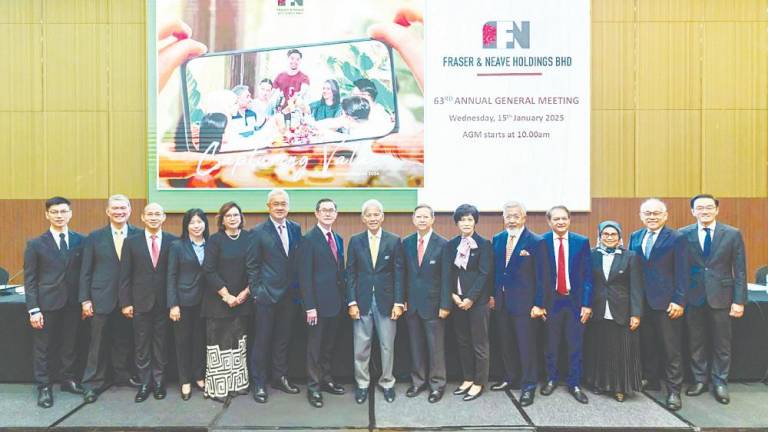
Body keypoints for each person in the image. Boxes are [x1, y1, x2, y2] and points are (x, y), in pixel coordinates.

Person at [681, 194, 746, 404]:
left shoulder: (732, 234)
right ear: (693, 211)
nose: (705, 211)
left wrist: (739, 301)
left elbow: (740, 270)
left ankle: (720, 382)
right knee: (696, 341)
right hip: (694, 296)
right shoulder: (683, 234)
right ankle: (699, 379)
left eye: (709, 207)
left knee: (722, 343)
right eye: (700, 208)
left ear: (717, 210)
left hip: (722, 296)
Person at [24, 197, 85, 408]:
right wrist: (33, 309)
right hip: (46, 304)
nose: (59, 215)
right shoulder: (35, 244)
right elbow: (30, 280)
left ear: (70, 214)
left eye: (63, 211)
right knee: (44, 348)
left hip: (72, 304)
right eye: (55, 212)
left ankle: (68, 380)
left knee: (70, 344)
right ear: (47, 215)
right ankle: (44, 387)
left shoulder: (81, 240)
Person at [628, 198, 688, 411]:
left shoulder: (677, 238)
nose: (652, 217)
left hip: (667, 303)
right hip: (641, 303)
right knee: (648, 344)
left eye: (656, 213)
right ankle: (651, 380)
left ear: (665, 216)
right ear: (641, 216)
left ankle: (673, 391)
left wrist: (679, 300)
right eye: (648, 213)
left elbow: (683, 272)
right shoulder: (635, 236)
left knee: (671, 349)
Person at [79, 194, 140, 403]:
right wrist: (85, 299)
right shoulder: (94, 237)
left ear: (130, 210)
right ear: (107, 211)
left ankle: (121, 375)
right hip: (100, 298)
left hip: (128, 300)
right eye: (115, 208)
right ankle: (92, 383)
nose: (119, 212)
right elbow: (85, 271)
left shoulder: (138, 235)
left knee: (123, 340)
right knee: (97, 343)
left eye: (123, 208)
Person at [346, 199, 404, 404]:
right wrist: (351, 302)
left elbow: (399, 273)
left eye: (376, 214)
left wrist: (399, 302)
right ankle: (362, 384)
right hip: (361, 301)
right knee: (361, 346)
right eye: (368, 215)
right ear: (363, 218)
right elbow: (350, 273)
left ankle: (387, 382)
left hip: (387, 302)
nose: (372, 218)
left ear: (382, 216)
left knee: (387, 345)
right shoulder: (355, 240)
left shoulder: (394, 240)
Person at [118, 203, 177, 402]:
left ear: (164, 217)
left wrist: (173, 303)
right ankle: (144, 383)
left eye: (157, 214)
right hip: (139, 303)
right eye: (149, 214)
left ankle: (159, 382)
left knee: (161, 344)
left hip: (164, 303)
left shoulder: (173, 242)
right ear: (142, 217)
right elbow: (124, 276)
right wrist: (125, 302)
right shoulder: (131, 242)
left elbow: (174, 275)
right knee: (141, 345)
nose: (153, 217)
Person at [248, 189, 302, 403]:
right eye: (276, 203)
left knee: (283, 340)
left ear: (288, 206)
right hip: (266, 297)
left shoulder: (296, 228)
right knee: (262, 340)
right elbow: (252, 266)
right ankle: (259, 383)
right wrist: (257, 292)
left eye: (284, 203)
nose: (280, 207)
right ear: (268, 206)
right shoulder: (258, 231)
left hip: (290, 297)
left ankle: (279, 377)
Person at [490, 201, 545, 407]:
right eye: (508, 216)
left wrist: (539, 304)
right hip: (501, 303)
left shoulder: (536, 241)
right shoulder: (498, 238)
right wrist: (492, 296)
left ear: (524, 217)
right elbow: (495, 271)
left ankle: (529, 385)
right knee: (506, 344)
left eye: (515, 216)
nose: (511, 219)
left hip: (526, 305)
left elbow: (542, 277)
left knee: (526, 346)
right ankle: (510, 378)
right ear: (503, 218)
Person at [538, 205, 593, 404]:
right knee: (551, 344)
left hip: (575, 302)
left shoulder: (581, 242)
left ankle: (574, 383)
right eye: (556, 219)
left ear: (569, 220)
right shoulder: (541, 242)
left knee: (575, 344)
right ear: (549, 221)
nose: (560, 222)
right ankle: (551, 380)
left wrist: (587, 304)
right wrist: (540, 303)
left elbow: (588, 276)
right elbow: (538, 277)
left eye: (564, 218)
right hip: (551, 302)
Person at [584, 221, 643, 402]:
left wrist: (636, 314)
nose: (609, 237)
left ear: (619, 237)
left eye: (613, 234)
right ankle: (600, 383)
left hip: (622, 311)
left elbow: (636, 287)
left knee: (621, 351)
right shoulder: (592, 255)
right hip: (598, 309)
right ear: (600, 236)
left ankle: (620, 388)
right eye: (606, 234)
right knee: (600, 348)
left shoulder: (630, 256)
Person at [202, 202, 255, 404]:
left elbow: (255, 267)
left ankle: (238, 384)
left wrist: (243, 294)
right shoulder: (215, 240)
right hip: (218, 301)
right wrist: (227, 296)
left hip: (243, 300)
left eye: (236, 215)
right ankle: (218, 387)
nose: (233, 218)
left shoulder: (250, 238)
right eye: (228, 216)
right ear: (222, 220)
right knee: (219, 344)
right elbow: (208, 270)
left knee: (238, 343)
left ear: (241, 217)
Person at [298, 198, 346, 408]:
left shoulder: (338, 238)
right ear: (316, 214)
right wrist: (310, 307)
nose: (328, 213)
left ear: (336, 214)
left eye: (331, 210)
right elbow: (304, 277)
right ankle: (314, 387)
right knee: (315, 348)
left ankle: (326, 380)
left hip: (335, 304)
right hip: (316, 306)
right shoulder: (308, 239)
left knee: (328, 347)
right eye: (324, 210)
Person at [443, 204, 492, 402]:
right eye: (462, 219)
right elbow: (447, 273)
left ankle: (479, 382)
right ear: (457, 222)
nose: (466, 223)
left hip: (477, 303)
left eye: (470, 219)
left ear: (475, 222)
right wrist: (454, 296)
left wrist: (470, 298)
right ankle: (467, 378)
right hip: (457, 301)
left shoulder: (484, 244)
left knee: (479, 343)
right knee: (462, 342)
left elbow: (484, 274)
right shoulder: (451, 244)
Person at [402, 204, 449, 403]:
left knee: (435, 347)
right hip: (411, 305)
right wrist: (401, 300)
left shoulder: (443, 244)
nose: (421, 220)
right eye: (418, 217)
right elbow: (402, 274)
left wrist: (445, 305)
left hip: (434, 305)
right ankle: (418, 382)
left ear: (432, 220)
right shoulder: (406, 243)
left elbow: (447, 277)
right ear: (413, 219)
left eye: (425, 217)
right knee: (416, 346)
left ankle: (437, 385)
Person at [167, 208, 209, 401]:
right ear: (186, 225)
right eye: (192, 222)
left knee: (200, 341)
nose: (196, 226)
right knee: (182, 342)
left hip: (205, 303)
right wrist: (173, 304)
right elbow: (171, 276)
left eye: (200, 222)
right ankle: (184, 380)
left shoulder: (211, 244)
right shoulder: (177, 246)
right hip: (182, 302)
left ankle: (199, 376)